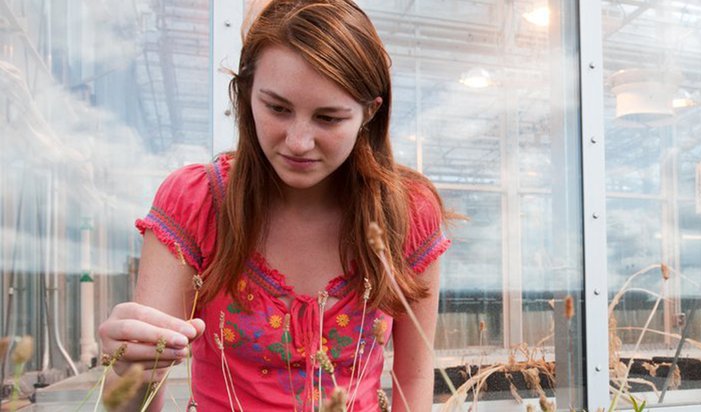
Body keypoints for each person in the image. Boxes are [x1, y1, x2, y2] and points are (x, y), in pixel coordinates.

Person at [98, 1, 450, 410]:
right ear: (247, 95)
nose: (299, 142)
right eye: (278, 108)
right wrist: (128, 368)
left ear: (369, 113)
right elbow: (138, 392)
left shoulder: (408, 213)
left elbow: (414, 378)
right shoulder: (197, 203)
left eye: (329, 118)